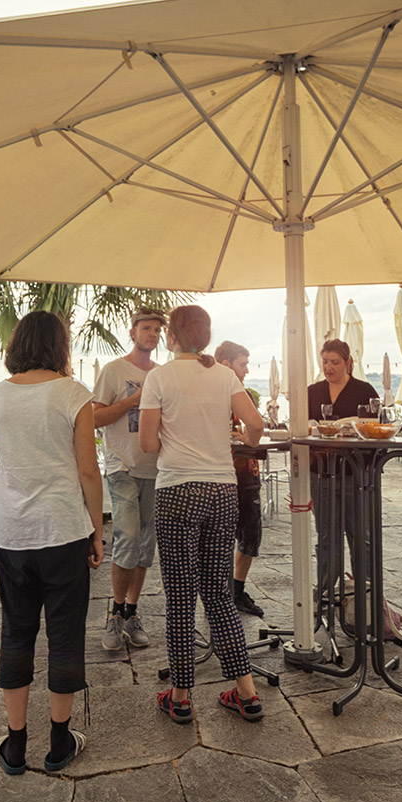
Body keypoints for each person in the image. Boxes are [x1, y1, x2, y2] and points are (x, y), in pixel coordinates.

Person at [0, 311, 105, 775]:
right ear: (60, 345)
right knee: (65, 633)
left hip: (12, 533)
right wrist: (97, 528)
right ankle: (58, 741)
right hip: (63, 529)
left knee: (16, 631)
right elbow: (88, 469)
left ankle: (14, 744)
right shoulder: (72, 394)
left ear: (17, 345)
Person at [140, 305, 265, 724]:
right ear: (206, 338)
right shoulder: (224, 375)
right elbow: (256, 425)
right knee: (217, 594)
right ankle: (246, 693)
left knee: (180, 597)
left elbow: (146, 445)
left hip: (177, 490)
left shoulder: (158, 377)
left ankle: (179, 696)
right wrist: (231, 441)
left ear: (172, 337)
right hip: (222, 490)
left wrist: (176, 440)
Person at [91, 309, 166, 652]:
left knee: (145, 545)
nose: (152, 334)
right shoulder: (114, 370)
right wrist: (135, 399)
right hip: (122, 465)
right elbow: (95, 418)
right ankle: (115, 615)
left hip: (157, 468)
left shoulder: (164, 374)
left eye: (157, 330)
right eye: (146, 328)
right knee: (128, 537)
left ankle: (132, 613)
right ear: (133, 331)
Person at [306, 339, 380, 623]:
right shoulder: (312, 391)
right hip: (321, 473)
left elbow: (376, 429)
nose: (329, 367)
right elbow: (301, 426)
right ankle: (325, 596)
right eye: (325, 361)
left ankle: (368, 598)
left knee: (361, 538)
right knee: (327, 537)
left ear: (348, 362)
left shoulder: (364, 391)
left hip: (357, 475)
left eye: (335, 362)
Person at [215, 340, 266, 617]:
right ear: (226, 364)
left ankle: (234, 591)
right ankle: (227, 593)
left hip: (239, 472)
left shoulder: (238, 392)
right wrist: (246, 438)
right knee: (242, 536)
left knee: (248, 537)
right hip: (234, 471)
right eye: (243, 364)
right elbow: (255, 427)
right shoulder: (222, 391)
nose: (246, 370)